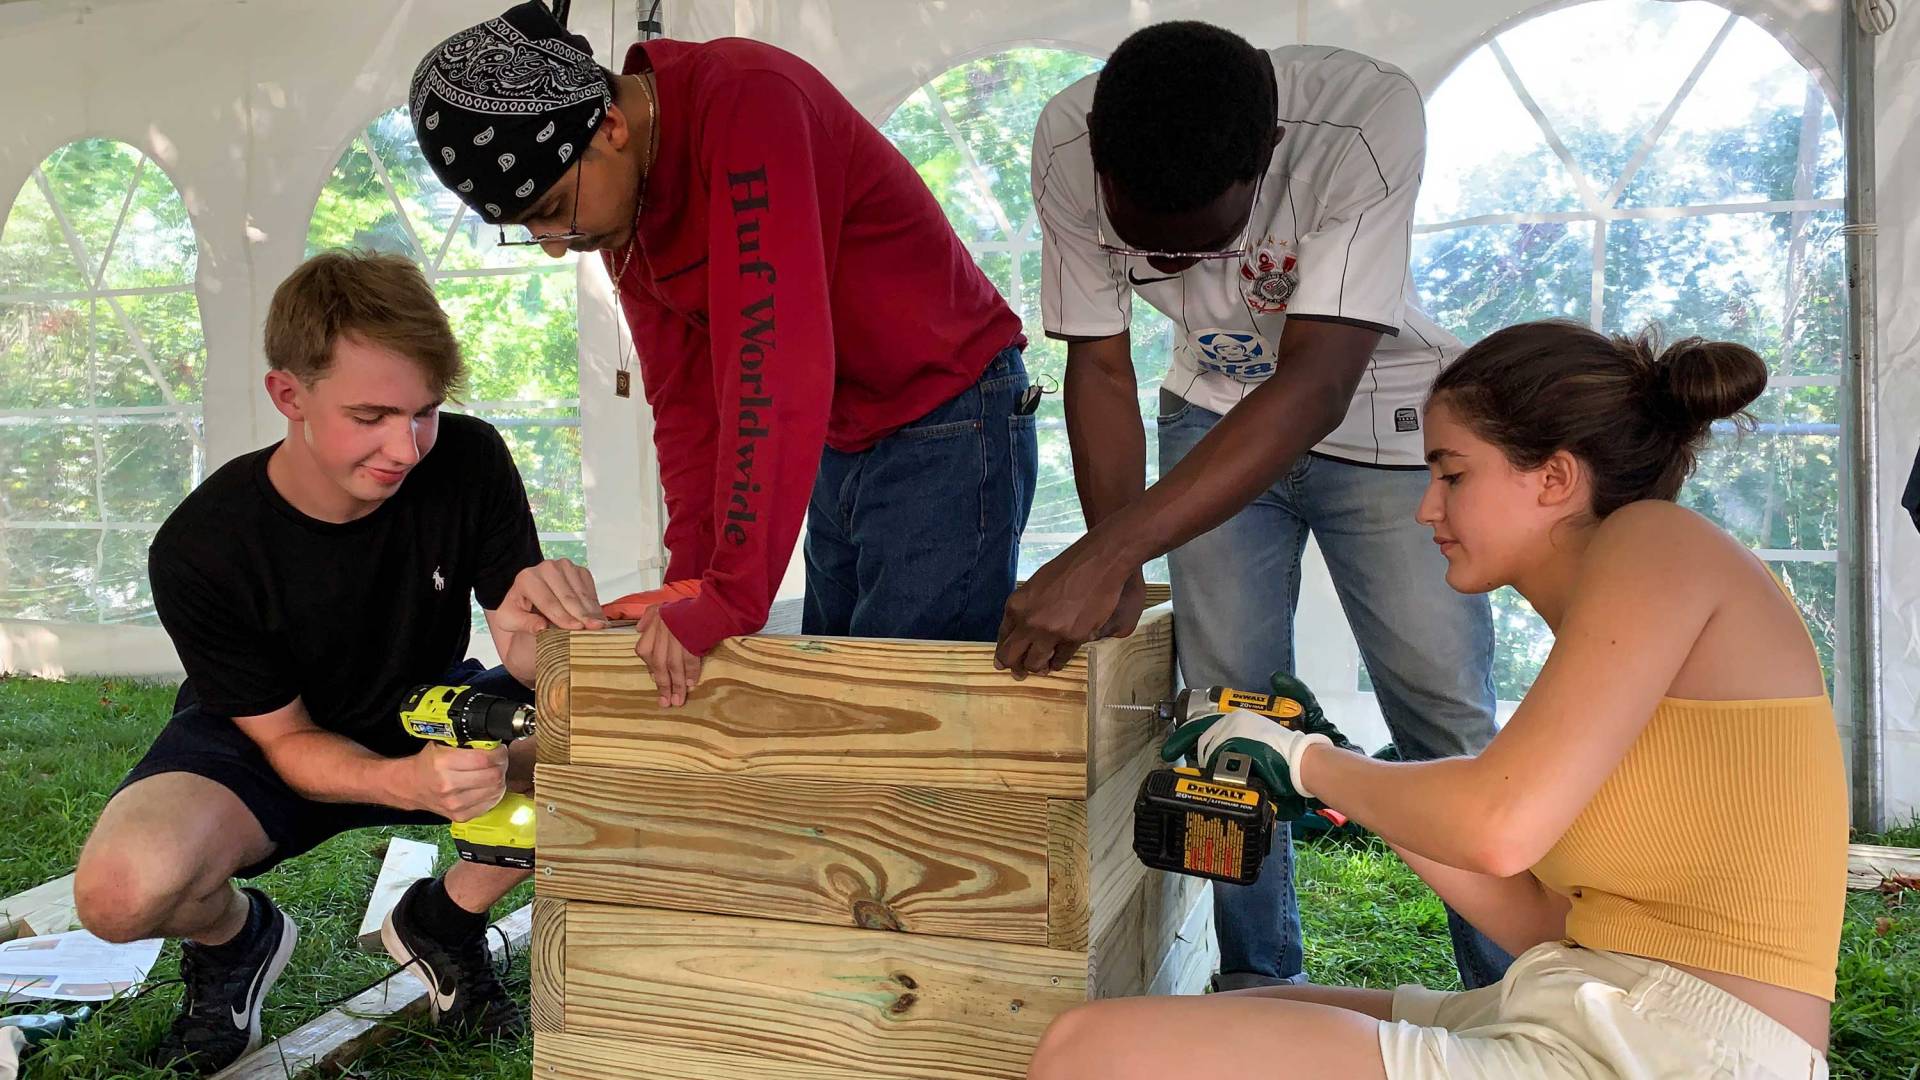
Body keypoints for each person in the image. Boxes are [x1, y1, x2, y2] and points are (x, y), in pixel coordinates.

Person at [1027, 319, 1847, 1080]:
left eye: (1452, 473)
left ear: (1555, 477)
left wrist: (1311, 763)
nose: (1427, 508)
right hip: (1589, 997)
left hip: (1684, 1050)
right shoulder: (1620, 626)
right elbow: (1540, 921)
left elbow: (1496, 827)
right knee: (1242, 1011)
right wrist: (1320, 771)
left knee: (1086, 1049)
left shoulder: (1656, 541)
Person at [1010, 20, 1507, 990]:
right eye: (1137, 237)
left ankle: (1516, 990)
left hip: (1383, 421)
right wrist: (1123, 558)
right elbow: (1102, 367)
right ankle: (1256, 986)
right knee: (1226, 717)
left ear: (1266, 160)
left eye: (1189, 241)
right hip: (1207, 408)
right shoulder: (1069, 141)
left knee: (1441, 714)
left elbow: (1316, 383)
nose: (1160, 265)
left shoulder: (1362, 122)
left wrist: (1106, 554)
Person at [71, 251, 607, 1074]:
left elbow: (523, 651)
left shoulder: (467, 458)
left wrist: (566, 630)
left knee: (628, 749)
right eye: (372, 416)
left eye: (425, 412)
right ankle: (235, 941)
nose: (408, 446)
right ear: (288, 395)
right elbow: (287, 745)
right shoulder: (201, 546)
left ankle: (445, 922)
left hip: (421, 708)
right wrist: (409, 784)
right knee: (119, 893)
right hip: (260, 740)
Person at [409, 2, 1035, 707]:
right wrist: (693, 581)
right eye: (528, 229)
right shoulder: (625, 205)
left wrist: (729, 596)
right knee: (837, 694)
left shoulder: (748, 103)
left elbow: (775, 361)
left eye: (553, 208)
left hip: (948, 413)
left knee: (896, 711)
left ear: (609, 125)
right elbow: (685, 400)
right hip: (847, 435)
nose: (556, 243)